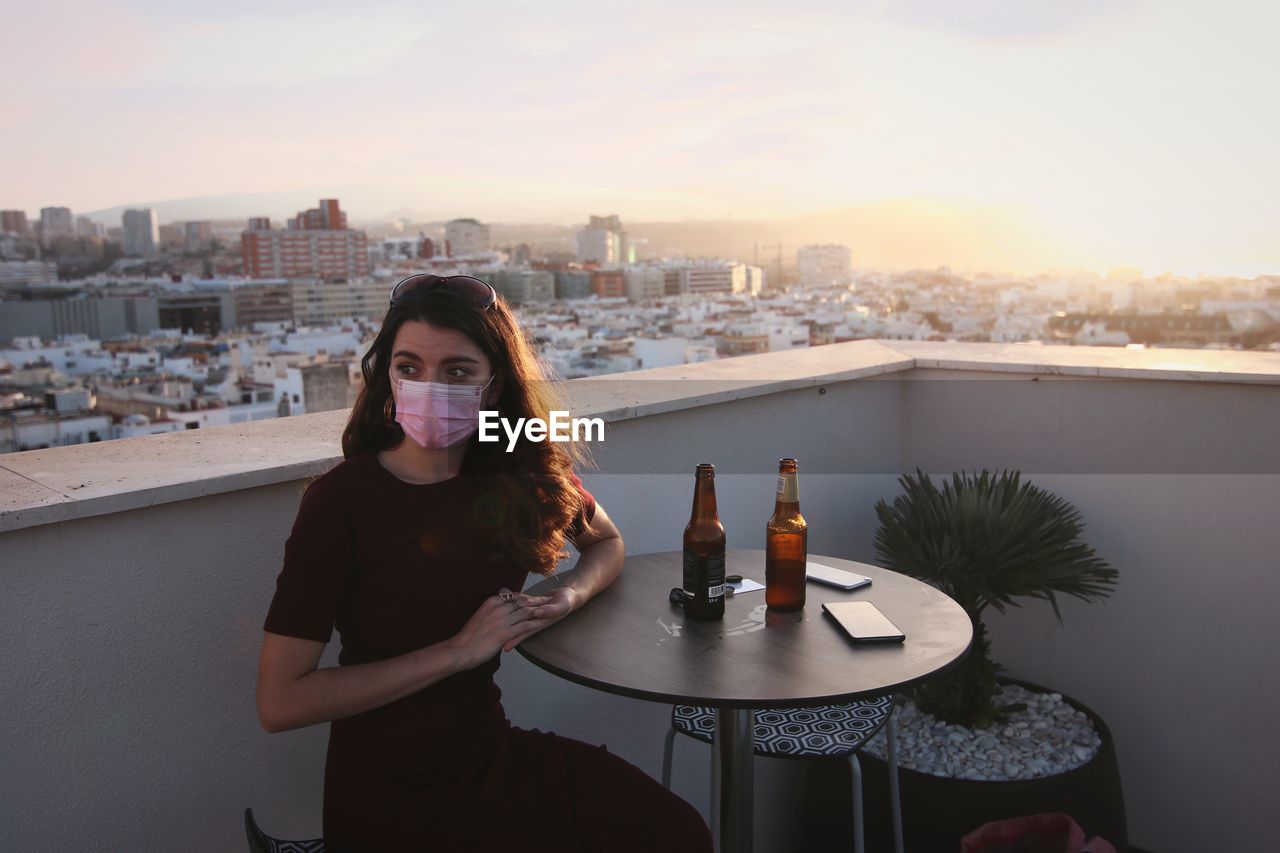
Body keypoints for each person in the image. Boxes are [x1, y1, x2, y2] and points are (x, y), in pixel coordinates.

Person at [256, 274, 713, 852]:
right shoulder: (341, 503)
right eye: (409, 367)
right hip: (388, 796)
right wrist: (456, 652)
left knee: (675, 833)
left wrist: (565, 596)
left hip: (490, 756)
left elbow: (607, 543)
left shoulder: (519, 480)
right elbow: (279, 702)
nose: (429, 386)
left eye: (457, 371)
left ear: (494, 386)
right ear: (387, 377)